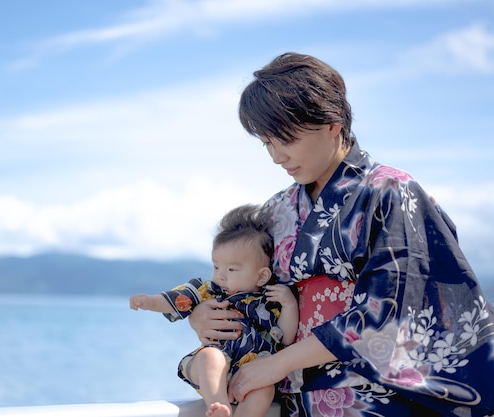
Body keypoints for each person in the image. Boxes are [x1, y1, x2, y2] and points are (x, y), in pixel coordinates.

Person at [187, 52, 494, 417]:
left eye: (286, 138)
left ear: (332, 122)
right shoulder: (275, 211)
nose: (276, 156)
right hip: (295, 398)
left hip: (380, 399)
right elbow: (243, 285)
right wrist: (204, 315)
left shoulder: (391, 192)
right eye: (267, 142)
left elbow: (387, 313)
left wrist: (279, 363)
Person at [130, 204, 299, 417]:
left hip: (253, 375)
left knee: (264, 391)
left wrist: (289, 305)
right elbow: (179, 298)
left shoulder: (270, 301)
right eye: (216, 266)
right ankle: (219, 407)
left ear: (262, 276)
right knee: (211, 357)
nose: (220, 275)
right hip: (212, 367)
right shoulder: (209, 290)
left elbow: (285, 336)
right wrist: (151, 301)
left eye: (231, 269)